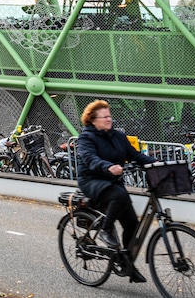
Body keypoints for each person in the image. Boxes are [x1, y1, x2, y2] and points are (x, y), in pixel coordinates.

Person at [76, 99, 154, 283]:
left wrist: (157, 163)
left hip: (112, 181)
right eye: (104, 117)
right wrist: (107, 166)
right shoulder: (86, 138)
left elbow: (135, 155)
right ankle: (106, 228)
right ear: (93, 120)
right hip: (92, 180)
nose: (108, 119)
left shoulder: (118, 136)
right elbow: (90, 158)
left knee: (132, 225)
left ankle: (127, 264)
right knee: (120, 195)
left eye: (109, 116)